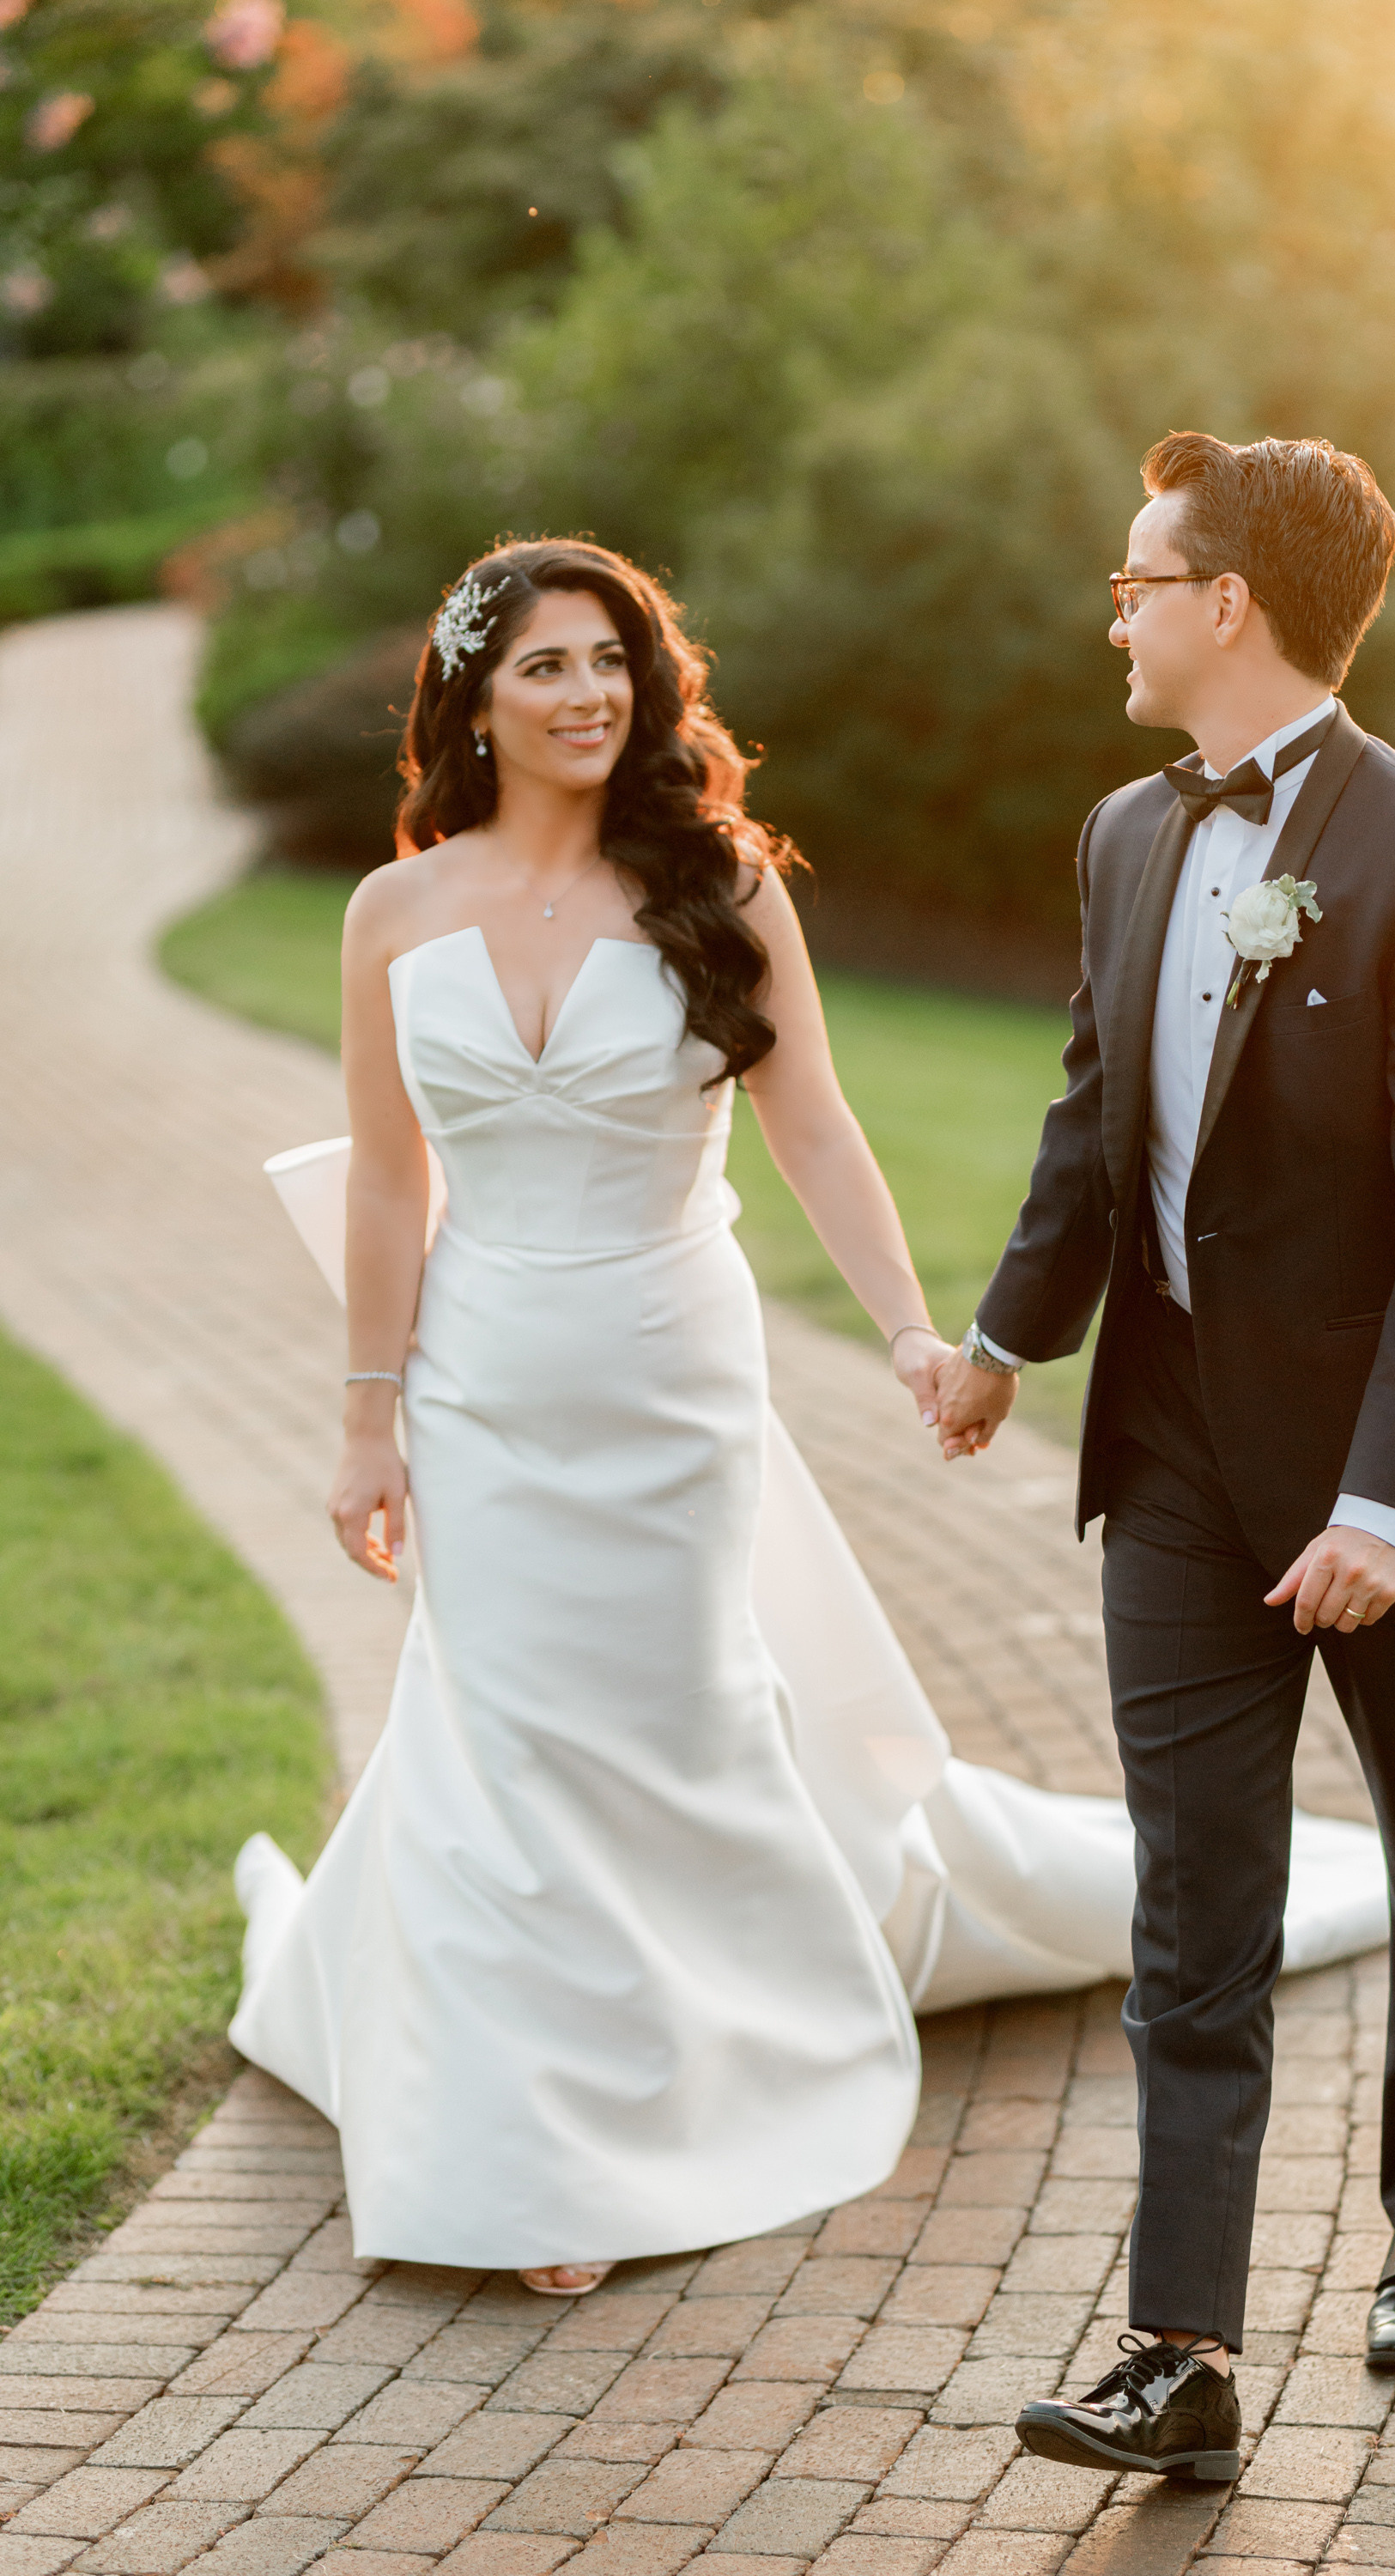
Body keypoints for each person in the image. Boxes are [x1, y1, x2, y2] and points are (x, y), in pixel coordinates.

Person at [229, 537, 1157, 2295]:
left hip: (669, 1367)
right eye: (547, 668)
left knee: (656, 1725)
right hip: (482, 1369)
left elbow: (808, 1122)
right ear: (474, 702)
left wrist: (902, 1326)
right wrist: (367, 1417)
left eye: (610, 662)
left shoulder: (718, 881)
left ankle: (677, 2070)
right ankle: (535, 2144)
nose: (587, 696)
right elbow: (380, 1189)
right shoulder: (392, 915)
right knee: (505, 1742)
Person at [933, 433, 1395, 2480]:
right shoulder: (1126, 834)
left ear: (1228, 605)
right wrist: (1007, 1338)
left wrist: (1392, 1503)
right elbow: (1090, 1112)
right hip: (1180, 1447)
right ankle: (1180, 2350)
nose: (1108, 611)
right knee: (1196, 1897)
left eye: (1134, 579)